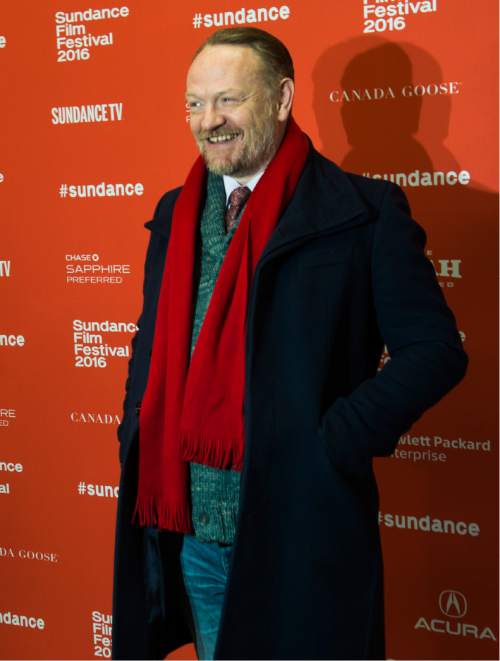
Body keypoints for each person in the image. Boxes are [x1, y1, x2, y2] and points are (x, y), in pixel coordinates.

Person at [111, 27, 467, 661]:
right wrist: (134, 426)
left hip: (300, 524)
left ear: (281, 99)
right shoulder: (175, 213)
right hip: (189, 532)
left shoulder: (364, 210)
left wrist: (333, 442)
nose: (208, 121)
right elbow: (153, 340)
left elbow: (435, 350)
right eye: (194, 103)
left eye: (228, 100)